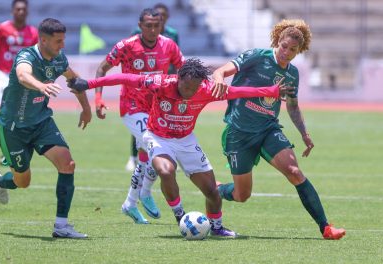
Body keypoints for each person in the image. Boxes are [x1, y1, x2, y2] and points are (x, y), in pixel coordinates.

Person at [68, 58, 289, 237]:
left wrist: (270, 91)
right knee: (165, 170)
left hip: (186, 140)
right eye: (186, 86)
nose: (189, 91)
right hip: (157, 136)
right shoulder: (162, 83)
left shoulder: (206, 89)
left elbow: (237, 92)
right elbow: (126, 77)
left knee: (212, 192)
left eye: (194, 88)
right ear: (179, 78)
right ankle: (179, 215)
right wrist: (88, 84)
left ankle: (217, 227)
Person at [211, 19, 346, 240]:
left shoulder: (292, 74)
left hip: (267, 130)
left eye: (293, 50)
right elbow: (222, 71)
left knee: (294, 172)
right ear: (278, 41)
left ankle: (326, 227)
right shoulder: (257, 56)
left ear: (299, 51)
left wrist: (304, 133)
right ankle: (214, 188)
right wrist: (218, 79)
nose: (286, 52)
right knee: (241, 194)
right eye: (284, 46)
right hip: (240, 132)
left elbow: (292, 105)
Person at [0, 18, 92, 239]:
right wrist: (41, 85)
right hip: (13, 127)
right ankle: (0, 181)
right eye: (58, 41)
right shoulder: (26, 56)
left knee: (68, 163)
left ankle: (62, 226)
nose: (62, 45)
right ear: (43, 40)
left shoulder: (59, 60)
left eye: (63, 40)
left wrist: (86, 108)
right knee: (23, 181)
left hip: (41, 122)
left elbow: (75, 81)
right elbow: (22, 75)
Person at [94, 8, 185, 224]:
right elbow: (101, 69)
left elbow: (183, 70)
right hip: (132, 107)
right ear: (140, 25)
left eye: (156, 25)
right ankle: (144, 192)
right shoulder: (126, 46)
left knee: (148, 153)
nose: (153, 30)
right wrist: (98, 99)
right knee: (156, 147)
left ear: (161, 25)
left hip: (157, 107)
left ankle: (130, 202)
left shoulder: (169, 45)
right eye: (148, 26)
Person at [0, 0, 38, 166]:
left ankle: (15, 149)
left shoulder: (33, 33)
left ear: (27, 12)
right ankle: (8, 152)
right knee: (8, 112)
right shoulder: (1, 29)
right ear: (13, 11)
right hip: (3, 76)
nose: (21, 12)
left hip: (24, 78)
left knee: (23, 114)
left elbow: (36, 58)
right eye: (18, 9)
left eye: (23, 9)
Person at [126, 3, 180, 172]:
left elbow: (175, 57)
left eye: (163, 17)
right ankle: (133, 157)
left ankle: (166, 155)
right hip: (144, 86)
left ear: (166, 18)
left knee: (168, 120)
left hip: (165, 83)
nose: (160, 20)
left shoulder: (172, 35)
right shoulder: (137, 35)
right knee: (141, 124)